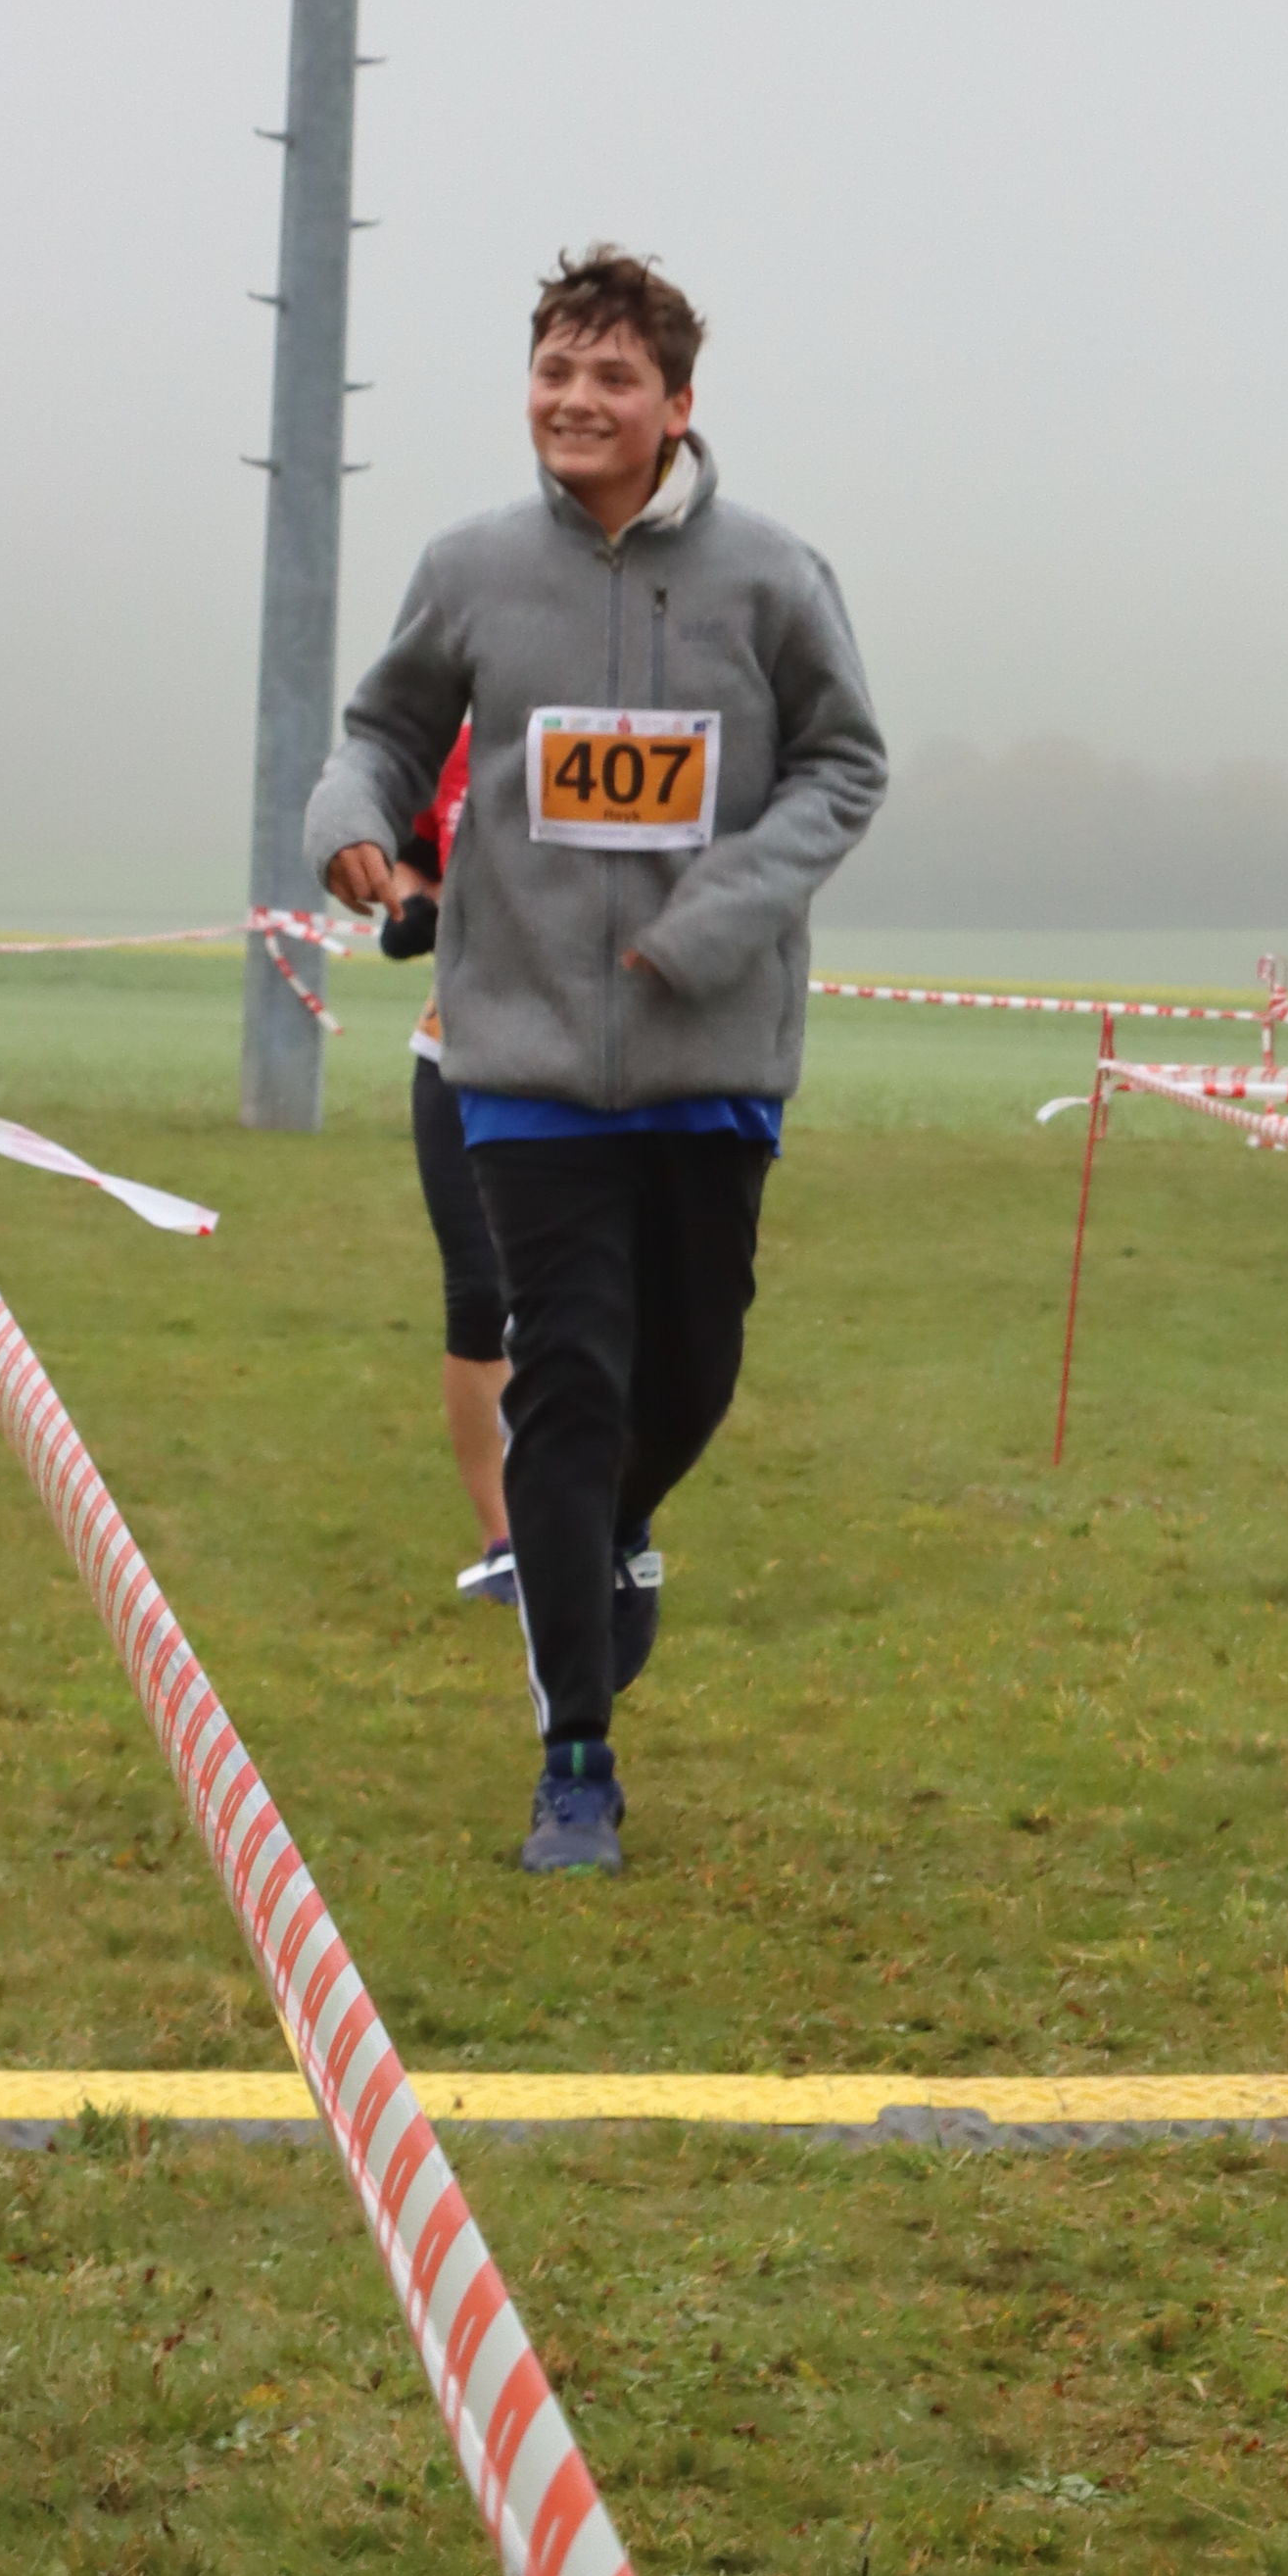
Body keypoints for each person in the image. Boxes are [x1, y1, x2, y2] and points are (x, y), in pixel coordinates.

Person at [308, 248, 887, 1875]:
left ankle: (618, 1525)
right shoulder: (472, 569)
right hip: (521, 1062)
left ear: (676, 405)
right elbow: (384, 734)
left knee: (686, 1377)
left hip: (714, 1058)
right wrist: (355, 826)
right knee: (563, 1383)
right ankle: (576, 1762)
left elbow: (845, 766)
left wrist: (727, 910)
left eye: (612, 375)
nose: (576, 399)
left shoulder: (774, 578)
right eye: (555, 369)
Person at [366, 720, 518, 1606]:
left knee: (583, 1295)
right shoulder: (460, 745)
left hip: (577, 1065)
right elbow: (417, 858)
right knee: (479, 1290)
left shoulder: (616, 722)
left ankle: (598, 1522)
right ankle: (506, 1543)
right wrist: (410, 901)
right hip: (453, 1053)